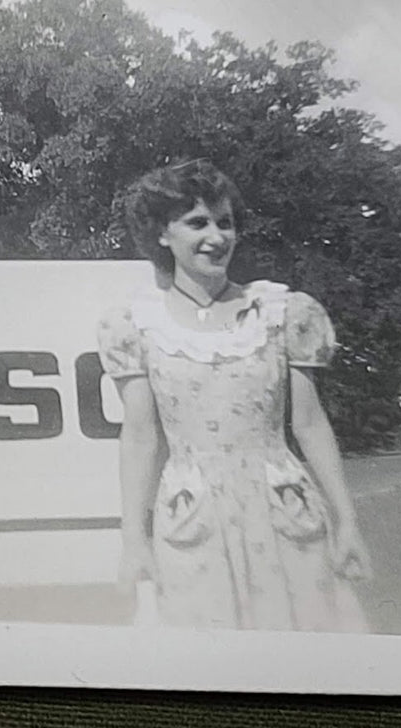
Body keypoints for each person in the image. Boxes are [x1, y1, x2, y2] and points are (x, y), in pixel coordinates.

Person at [98, 160, 370, 631]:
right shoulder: (134, 325)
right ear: (163, 234)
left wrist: (347, 522)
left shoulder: (283, 313)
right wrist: (133, 539)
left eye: (225, 222)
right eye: (197, 223)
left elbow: (309, 424)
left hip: (285, 510)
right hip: (192, 514)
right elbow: (141, 438)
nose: (217, 236)